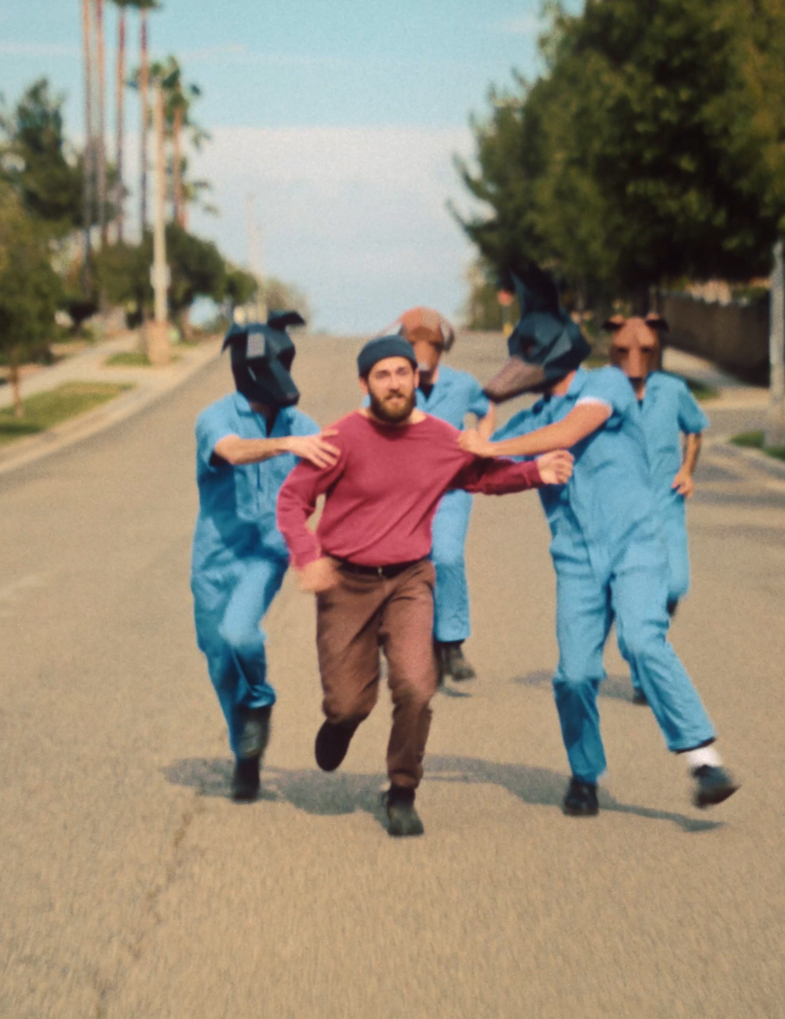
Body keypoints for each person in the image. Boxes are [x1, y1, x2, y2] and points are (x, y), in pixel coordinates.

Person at [462, 275, 739, 815]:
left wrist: (493, 445)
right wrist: (462, 452)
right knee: (574, 675)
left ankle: (704, 760)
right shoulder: (529, 419)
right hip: (575, 560)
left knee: (642, 640)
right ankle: (584, 774)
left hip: (636, 545)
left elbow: (569, 433)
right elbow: (480, 472)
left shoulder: (606, 385)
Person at [277, 335, 573, 837]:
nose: (394, 383)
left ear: (417, 377)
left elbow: (483, 476)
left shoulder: (441, 438)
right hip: (345, 582)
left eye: (401, 372)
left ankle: (402, 790)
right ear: (364, 383)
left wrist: (535, 472)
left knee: (416, 685)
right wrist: (308, 558)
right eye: (382, 375)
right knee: (350, 702)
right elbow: (292, 501)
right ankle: (340, 723)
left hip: (410, 579)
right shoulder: (342, 437)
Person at [192, 312, 339, 802]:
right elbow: (231, 451)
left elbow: (339, 470)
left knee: (240, 633)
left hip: (265, 553)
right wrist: (285, 445)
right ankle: (246, 755)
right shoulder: (216, 416)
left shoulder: (303, 423)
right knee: (219, 661)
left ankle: (259, 702)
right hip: (214, 558)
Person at [382, 307, 494, 685]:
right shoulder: (391, 384)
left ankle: (451, 644)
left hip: (451, 490)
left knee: (446, 558)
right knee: (408, 567)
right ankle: (413, 643)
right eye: (414, 346)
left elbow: (486, 408)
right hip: (402, 496)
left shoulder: (462, 384)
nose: (423, 353)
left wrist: (482, 439)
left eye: (431, 345)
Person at [607, 316, 708, 706]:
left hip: (667, 503)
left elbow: (695, 429)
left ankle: (645, 639)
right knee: (635, 593)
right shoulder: (603, 390)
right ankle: (642, 673)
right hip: (621, 511)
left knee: (675, 584)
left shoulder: (673, 389)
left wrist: (686, 469)